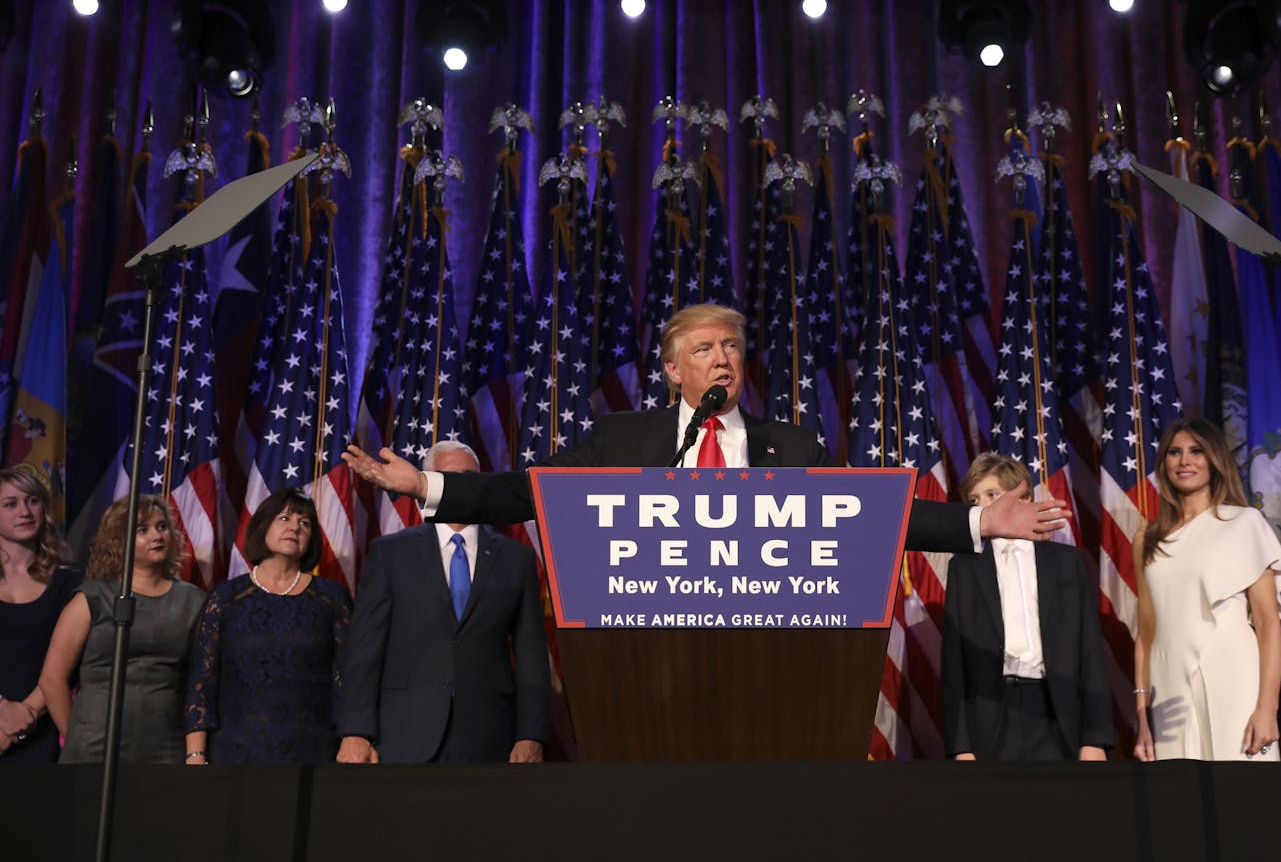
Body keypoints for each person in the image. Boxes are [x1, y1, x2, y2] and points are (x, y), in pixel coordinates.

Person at [343, 304, 1068, 550]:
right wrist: (429, 484)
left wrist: (977, 526)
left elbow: (876, 518)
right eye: (704, 349)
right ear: (672, 370)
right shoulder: (622, 440)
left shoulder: (793, 446)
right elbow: (524, 495)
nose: (722, 358)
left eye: (730, 347)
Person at [337, 441, 550, 764]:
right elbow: (365, 650)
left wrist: (531, 734)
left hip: (489, 736)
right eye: (449, 477)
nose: (460, 485)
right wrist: (355, 731)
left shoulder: (516, 558)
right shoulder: (391, 553)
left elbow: (531, 654)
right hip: (403, 733)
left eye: (469, 477)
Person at [1132, 419, 1281, 762]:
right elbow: (1145, 634)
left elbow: (1267, 622)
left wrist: (1267, 708)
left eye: (1196, 451)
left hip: (1232, 670)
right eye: (1174, 452)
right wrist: (1143, 715)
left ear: (1214, 460)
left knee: (1242, 793)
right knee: (1179, 798)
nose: (1184, 461)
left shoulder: (1244, 522)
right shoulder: (1146, 541)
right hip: (1167, 684)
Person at [941, 454, 1112, 762]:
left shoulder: (1065, 562)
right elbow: (954, 661)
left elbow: (1088, 650)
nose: (984, 506)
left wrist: (1095, 737)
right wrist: (960, 745)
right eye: (974, 499)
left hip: (1056, 712)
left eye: (992, 495)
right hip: (991, 715)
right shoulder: (964, 568)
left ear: (1024, 497)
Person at [184, 488, 351, 765]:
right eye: (284, 518)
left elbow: (347, 678)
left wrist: (351, 738)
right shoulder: (226, 598)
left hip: (315, 752)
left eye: (305, 523)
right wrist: (195, 754)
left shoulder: (331, 598)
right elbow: (202, 681)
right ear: (263, 525)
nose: (295, 527)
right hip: (235, 753)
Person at [38, 495, 204, 763]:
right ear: (119, 541)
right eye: (143, 530)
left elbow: (200, 680)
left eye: (162, 527)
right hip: (94, 744)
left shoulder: (193, 600)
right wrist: (77, 736)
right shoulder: (92, 597)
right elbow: (52, 679)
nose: (157, 535)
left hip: (165, 744)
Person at [0, 466, 81, 762]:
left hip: (39, 734)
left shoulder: (70, 584)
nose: (25, 510)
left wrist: (22, 718)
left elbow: (69, 665)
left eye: (33, 500)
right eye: (10, 504)